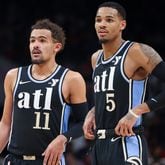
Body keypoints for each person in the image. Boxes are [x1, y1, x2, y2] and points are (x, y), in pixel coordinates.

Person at [83, 2, 165, 165]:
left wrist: (136, 111)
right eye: (98, 20)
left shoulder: (137, 51)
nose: (102, 24)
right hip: (100, 145)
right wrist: (93, 112)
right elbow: (111, 94)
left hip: (127, 141)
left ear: (122, 24)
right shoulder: (95, 58)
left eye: (109, 20)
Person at [0, 19, 88, 165]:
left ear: (57, 47)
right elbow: (5, 124)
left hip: (49, 161)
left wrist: (63, 138)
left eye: (42, 40)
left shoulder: (71, 79)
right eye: (32, 40)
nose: (35, 45)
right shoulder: (13, 76)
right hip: (15, 160)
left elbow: (84, 122)